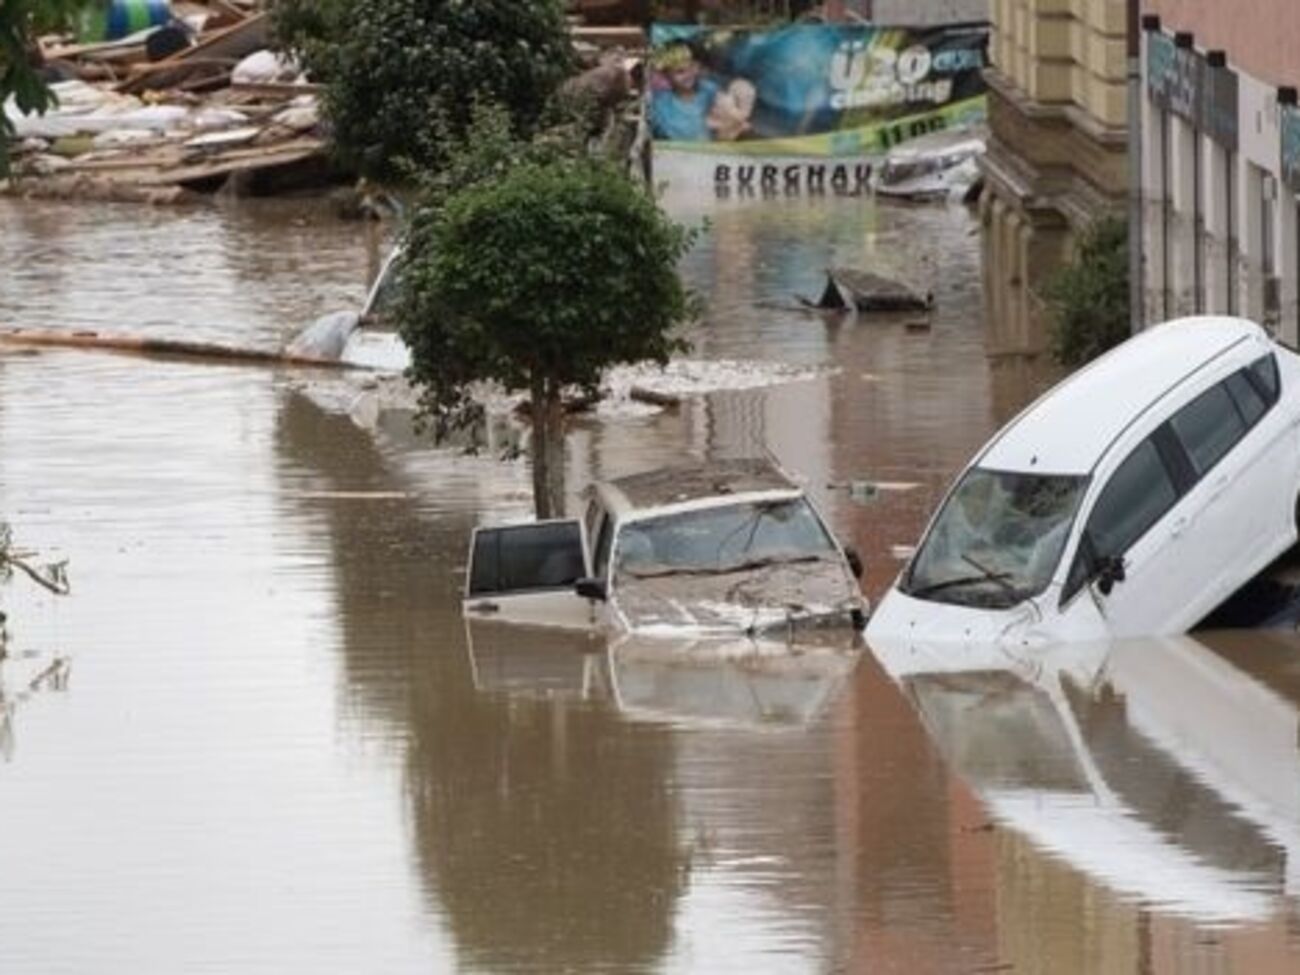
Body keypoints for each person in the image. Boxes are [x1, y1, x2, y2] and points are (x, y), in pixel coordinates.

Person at [649, 43, 720, 142]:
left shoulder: (708, 90)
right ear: (667, 75)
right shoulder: (660, 105)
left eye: (691, 68)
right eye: (680, 72)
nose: (688, 75)